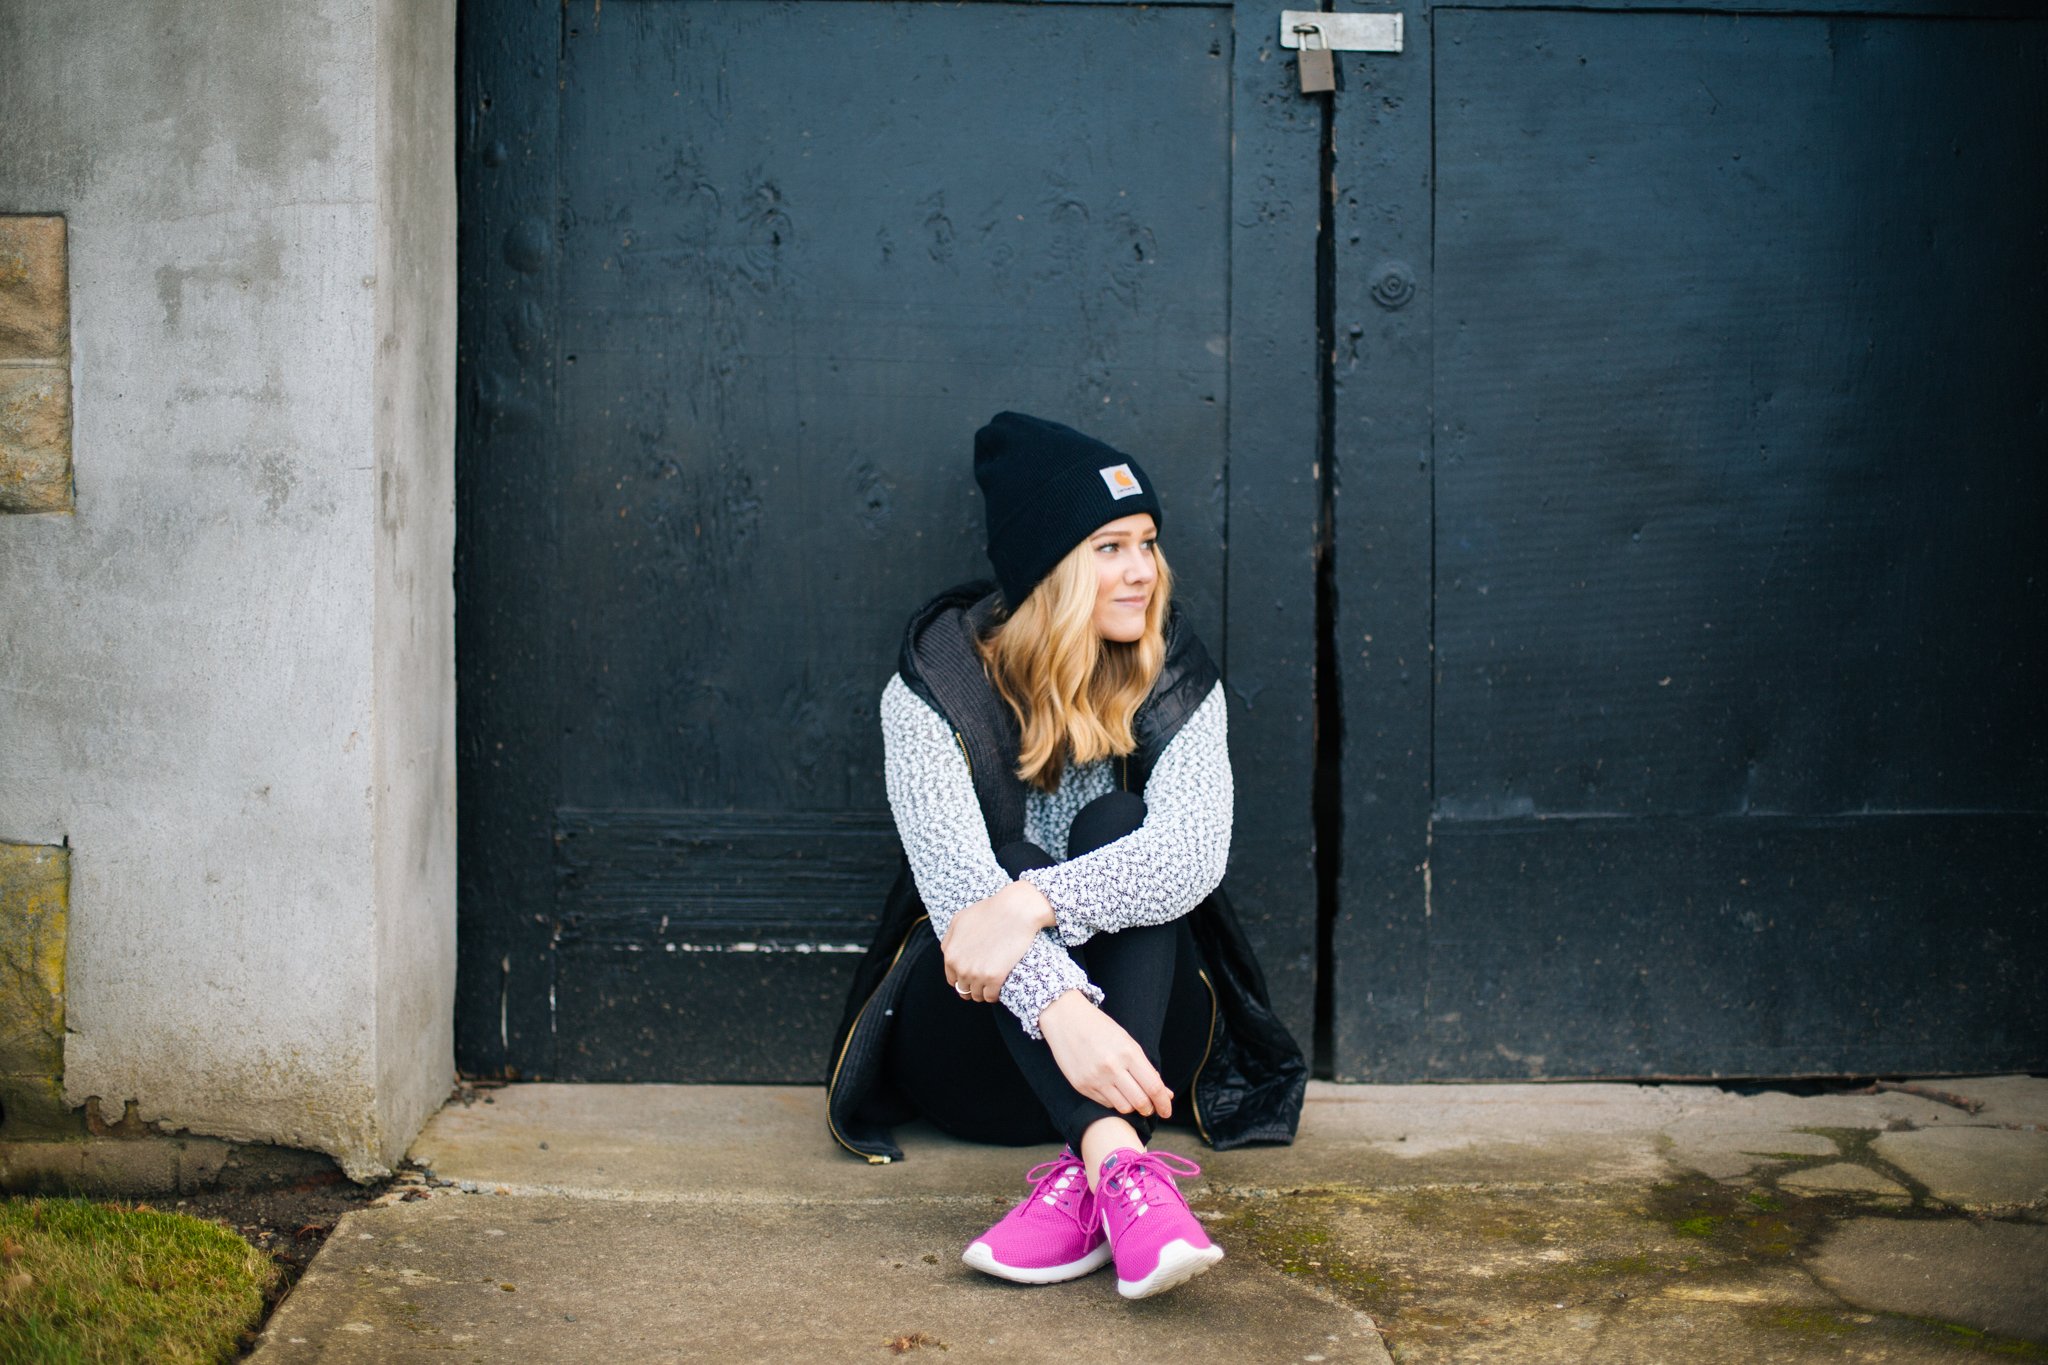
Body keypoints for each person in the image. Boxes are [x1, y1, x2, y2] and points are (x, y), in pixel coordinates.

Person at [826, 412, 1306, 1301]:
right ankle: (1122, 1169)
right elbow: (965, 904)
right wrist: (1062, 1007)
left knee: (1122, 821)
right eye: (1109, 546)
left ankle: (1088, 1173)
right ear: (1048, 563)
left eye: (1149, 543)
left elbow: (1192, 853)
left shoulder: (1172, 671)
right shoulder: (931, 689)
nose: (1142, 570)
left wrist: (1030, 903)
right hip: (978, 1056)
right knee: (1001, 860)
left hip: (1144, 1048)